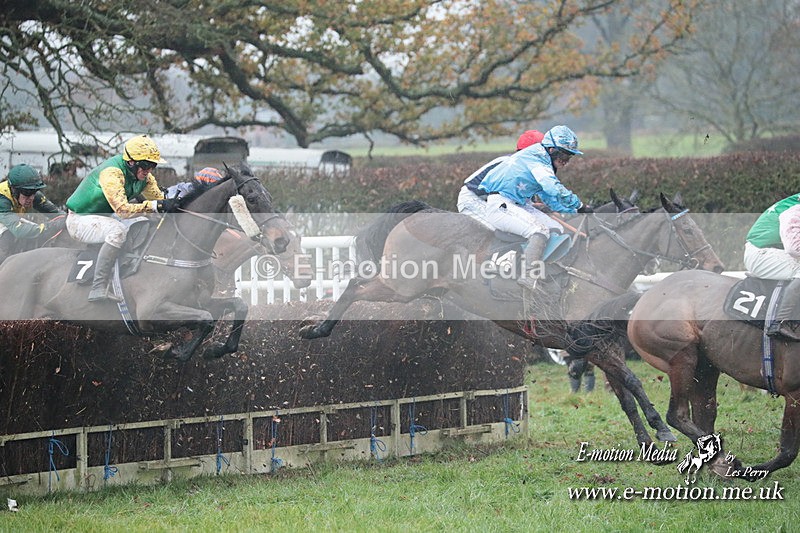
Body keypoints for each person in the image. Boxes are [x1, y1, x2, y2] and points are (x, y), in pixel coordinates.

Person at [65, 134, 177, 302]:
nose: (148, 170)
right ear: (131, 162)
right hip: (80, 220)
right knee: (117, 231)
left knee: (143, 222)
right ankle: (98, 287)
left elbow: (159, 199)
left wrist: (174, 204)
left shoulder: (145, 178)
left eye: (152, 165)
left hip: (104, 216)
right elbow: (123, 210)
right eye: (145, 165)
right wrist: (154, 206)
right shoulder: (112, 173)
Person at [477, 125, 591, 288]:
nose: (566, 161)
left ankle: (542, 268)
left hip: (517, 204)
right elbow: (552, 187)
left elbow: (550, 198)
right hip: (500, 204)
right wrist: (578, 205)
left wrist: (575, 211)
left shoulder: (544, 161)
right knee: (539, 230)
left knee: (555, 228)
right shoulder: (537, 159)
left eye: (570, 157)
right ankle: (528, 276)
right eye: (564, 155)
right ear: (551, 150)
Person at [457, 130, 545, 228]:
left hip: (491, 202)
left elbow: (523, 203)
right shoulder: (509, 164)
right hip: (472, 199)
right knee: (505, 227)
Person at [744, 194, 800, 334]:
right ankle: (779, 323)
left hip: (770, 250)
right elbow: (794, 248)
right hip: (760, 254)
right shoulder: (794, 209)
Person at [0, 164, 66, 264]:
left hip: (7, 221)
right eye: (27, 192)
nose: (31, 197)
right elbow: (19, 230)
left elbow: (58, 214)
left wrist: (71, 220)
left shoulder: (29, 195)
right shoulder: (2, 200)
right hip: (6, 225)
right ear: (14, 190)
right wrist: (49, 227)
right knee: (8, 237)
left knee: (33, 233)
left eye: (34, 191)